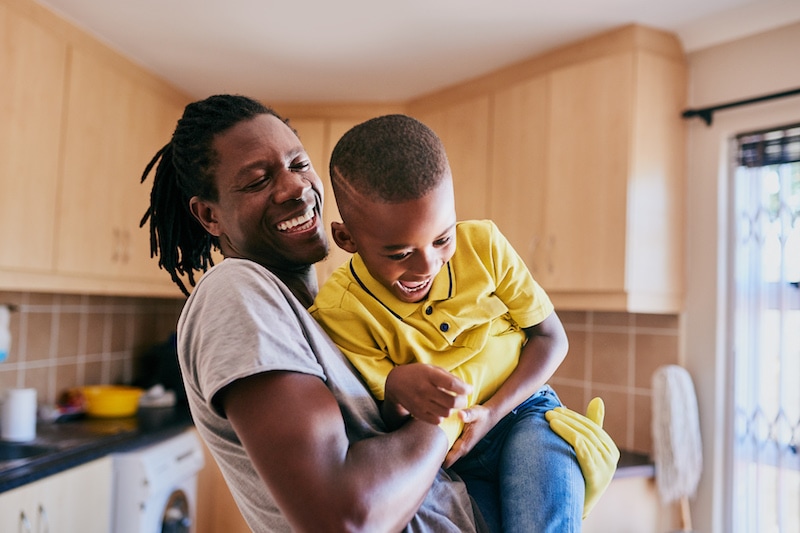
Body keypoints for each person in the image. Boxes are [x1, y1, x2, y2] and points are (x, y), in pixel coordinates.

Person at [140, 94, 619, 533]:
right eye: (258, 180)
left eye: (299, 163)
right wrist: (465, 394)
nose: (294, 187)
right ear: (209, 216)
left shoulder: (324, 311)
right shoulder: (236, 292)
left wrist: (543, 467)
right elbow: (347, 519)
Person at [310, 114, 588, 531]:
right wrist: (397, 386)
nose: (428, 265)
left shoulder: (484, 245)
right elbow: (382, 421)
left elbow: (550, 338)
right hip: (451, 456)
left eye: (442, 238)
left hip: (525, 412)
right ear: (347, 239)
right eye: (399, 253)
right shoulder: (341, 310)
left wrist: (491, 413)